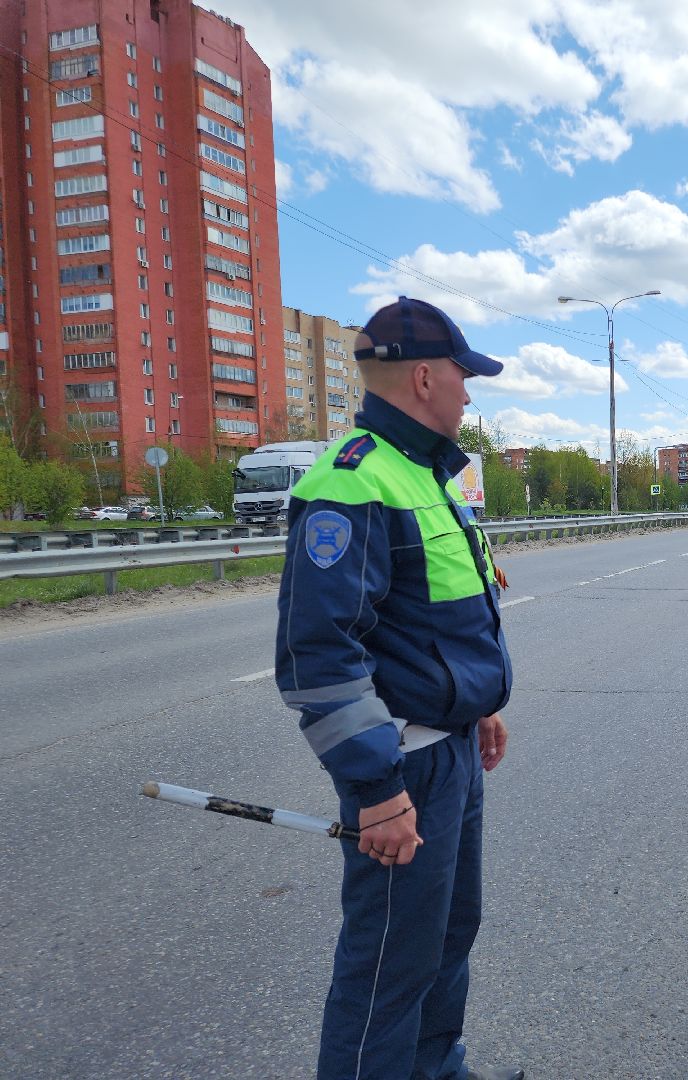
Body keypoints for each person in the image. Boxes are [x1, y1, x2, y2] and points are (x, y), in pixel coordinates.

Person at [274, 296, 524, 1080]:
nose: (469, 392)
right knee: (386, 966)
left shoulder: (424, 474)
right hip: (403, 767)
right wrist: (377, 789)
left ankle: (435, 1071)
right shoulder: (352, 483)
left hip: (447, 753)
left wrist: (475, 703)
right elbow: (318, 654)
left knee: (447, 937)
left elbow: (434, 616)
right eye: (463, 376)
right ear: (424, 378)